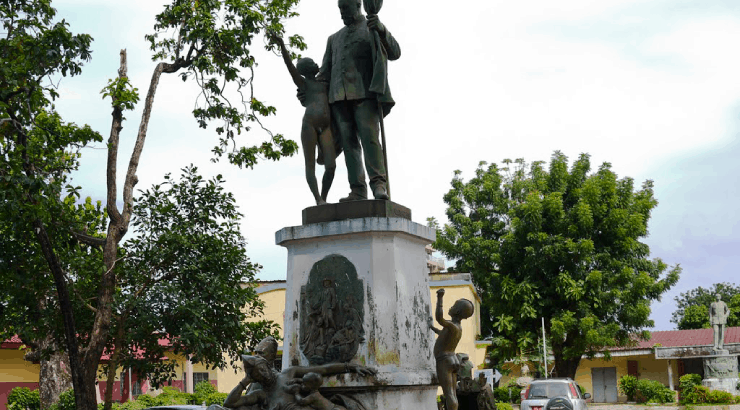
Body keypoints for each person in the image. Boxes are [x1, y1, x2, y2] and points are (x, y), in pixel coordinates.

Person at [313, 0, 401, 202]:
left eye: (345, 8)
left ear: (357, 5)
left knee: (370, 140)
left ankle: (379, 184)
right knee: (349, 144)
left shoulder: (371, 27)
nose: (342, 13)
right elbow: (325, 73)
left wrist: (380, 28)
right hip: (338, 99)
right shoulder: (333, 39)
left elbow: (395, 52)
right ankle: (357, 190)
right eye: (339, 9)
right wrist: (310, 90)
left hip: (365, 94)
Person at [270, 34, 336, 205]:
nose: (317, 64)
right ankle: (318, 199)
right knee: (310, 165)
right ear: (307, 69)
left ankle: (324, 196)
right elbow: (290, 66)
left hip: (326, 126)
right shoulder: (304, 84)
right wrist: (282, 46)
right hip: (310, 125)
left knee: (331, 166)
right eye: (313, 63)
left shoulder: (324, 84)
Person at [222, 354, 375, 410]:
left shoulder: (289, 374)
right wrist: (245, 381)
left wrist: (349, 367)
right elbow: (229, 403)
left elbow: (323, 370)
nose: (263, 374)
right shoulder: (261, 394)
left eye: (263, 369)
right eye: (257, 374)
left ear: (268, 366)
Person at [430, 289, 474, 410]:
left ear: (457, 311)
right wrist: (432, 328)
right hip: (452, 359)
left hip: (444, 360)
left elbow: (439, 318)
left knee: (449, 393)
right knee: (452, 393)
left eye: (454, 306)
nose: (451, 307)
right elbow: (443, 334)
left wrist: (440, 298)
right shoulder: (457, 328)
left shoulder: (452, 325)